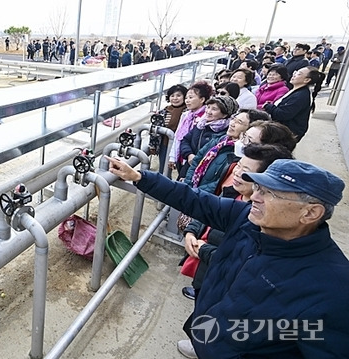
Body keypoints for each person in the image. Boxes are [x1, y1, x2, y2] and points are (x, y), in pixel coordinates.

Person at [106, 155, 348, 359]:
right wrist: (140, 177)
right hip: (209, 331)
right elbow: (195, 199)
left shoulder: (332, 289)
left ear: (310, 213)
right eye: (259, 188)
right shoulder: (247, 218)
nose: (255, 197)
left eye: (271, 193)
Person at [178, 143, 294, 357]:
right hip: (206, 268)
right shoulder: (232, 194)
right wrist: (191, 231)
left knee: (214, 313)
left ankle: (202, 346)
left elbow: (235, 261)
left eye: (246, 171)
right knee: (203, 301)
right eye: (238, 166)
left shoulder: (259, 220)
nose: (237, 172)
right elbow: (204, 209)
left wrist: (203, 250)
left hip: (215, 273)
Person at [179, 95, 238, 180]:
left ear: (225, 114)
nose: (208, 111)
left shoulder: (226, 134)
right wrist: (189, 155)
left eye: (214, 109)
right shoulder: (201, 125)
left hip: (205, 175)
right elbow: (185, 140)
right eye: (208, 107)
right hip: (188, 168)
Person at [263, 66, 325, 142]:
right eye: (295, 72)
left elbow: (283, 114)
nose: (294, 75)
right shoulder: (296, 90)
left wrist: (268, 106)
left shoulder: (301, 96)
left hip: (287, 134)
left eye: (299, 74)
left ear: (307, 80)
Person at [168, 81, 213, 177]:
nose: (187, 100)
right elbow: (178, 136)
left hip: (193, 159)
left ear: (202, 99)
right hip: (182, 155)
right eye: (186, 98)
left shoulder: (206, 118)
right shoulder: (186, 115)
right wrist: (173, 157)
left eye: (191, 97)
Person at [155, 85, 187, 173]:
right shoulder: (164, 111)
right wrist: (153, 145)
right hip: (165, 143)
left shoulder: (188, 112)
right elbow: (156, 130)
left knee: (181, 169)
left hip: (181, 145)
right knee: (164, 167)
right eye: (172, 96)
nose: (175, 98)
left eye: (178, 95)